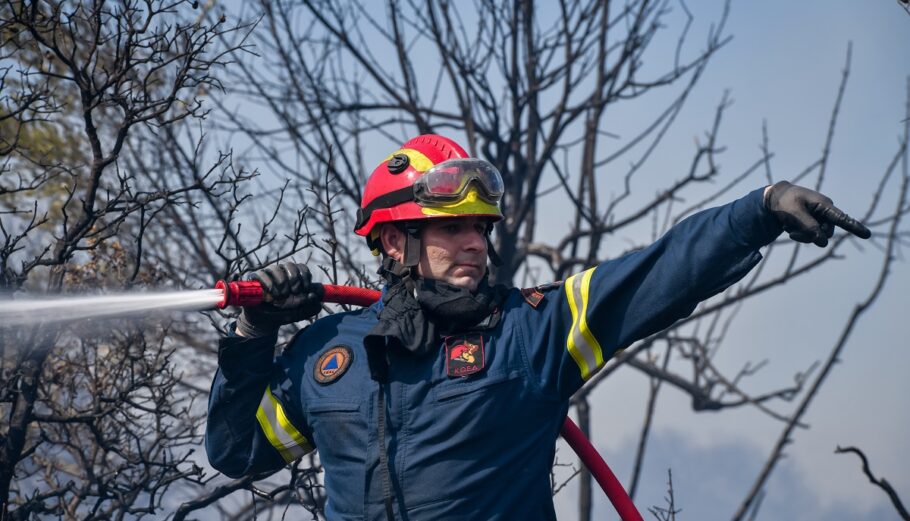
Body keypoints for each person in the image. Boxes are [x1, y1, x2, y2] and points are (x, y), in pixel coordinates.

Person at [205, 134, 871, 520]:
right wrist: (254, 332)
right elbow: (237, 450)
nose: (476, 243)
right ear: (394, 241)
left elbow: (661, 271)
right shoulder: (331, 355)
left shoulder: (532, 333)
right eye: (453, 226)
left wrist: (759, 212)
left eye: (481, 228)